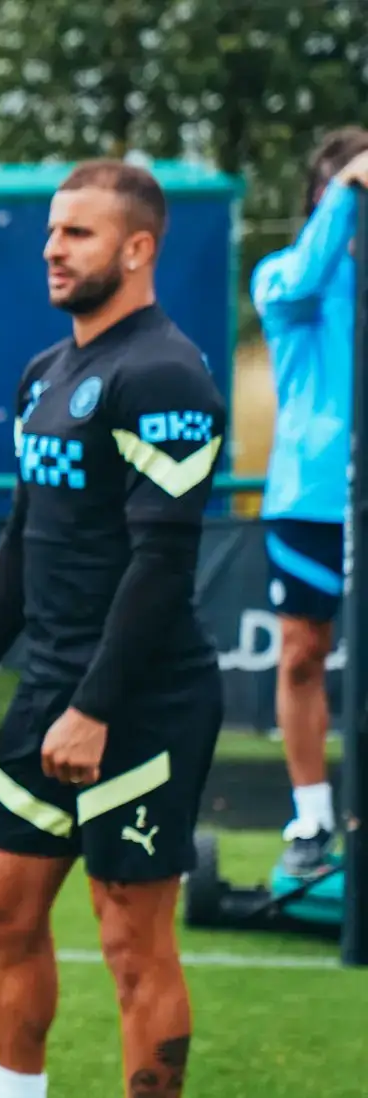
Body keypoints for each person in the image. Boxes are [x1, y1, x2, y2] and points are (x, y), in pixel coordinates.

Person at [0, 160, 227, 1098]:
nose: (53, 249)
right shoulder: (44, 374)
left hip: (138, 704)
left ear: (138, 250)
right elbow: (26, 536)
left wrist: (95, 706)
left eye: (79, 234)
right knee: (0, 913)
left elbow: (162, 562)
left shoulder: (167, 373)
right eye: (53, 231)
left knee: (131, 944)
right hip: (48, 693)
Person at [252, 131, 368, 878]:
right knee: (302, 655)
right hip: (310, 497)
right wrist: (349, 194)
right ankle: (312, 818)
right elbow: (298, 284)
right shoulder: (282, 279)